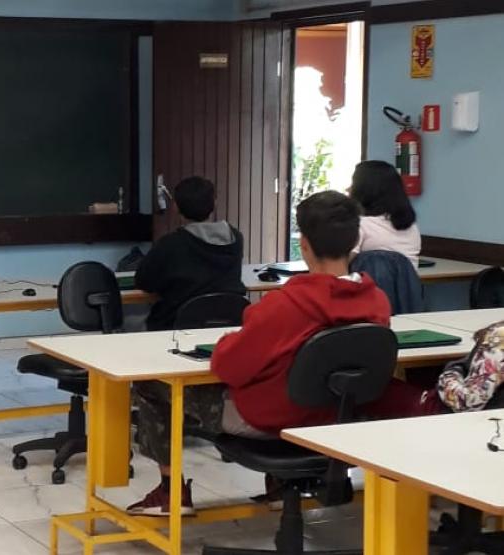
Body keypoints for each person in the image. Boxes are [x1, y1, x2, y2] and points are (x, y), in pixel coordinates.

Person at [127, 191, 441, 516]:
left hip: (270, 418)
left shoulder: (285, 306)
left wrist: (228, 342)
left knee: (152, 383)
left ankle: (170, 492)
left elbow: (229, 367)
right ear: (354, 243)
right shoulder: (376, 301)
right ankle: (277, 486)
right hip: (339, 414)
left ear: (303, 245)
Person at [135, 177, 246, 331]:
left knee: (131, 322)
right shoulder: (235, 239)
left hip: (174, 328)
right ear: (214, 203)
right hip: (228, 326)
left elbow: (144, 282)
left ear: (176, 207)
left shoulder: (170, 244)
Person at [348, 160, 421, 267]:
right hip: (408, 283)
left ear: (364, 190)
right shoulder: (411, 227)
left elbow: (339, 267)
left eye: (353, 184)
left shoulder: (361, 225)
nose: (348, 189)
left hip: (369, 283)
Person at [437, 321, 504, 412]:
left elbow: (466, 402)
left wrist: (449, 374)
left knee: (413, 386)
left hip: (480, 420)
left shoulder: (499, 336)